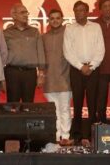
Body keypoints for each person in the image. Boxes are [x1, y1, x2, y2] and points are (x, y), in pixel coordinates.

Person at [64, 0, 104, 141]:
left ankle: (91, 135)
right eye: (76, 10)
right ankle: (77, 135)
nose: (78, 13)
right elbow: (67, 52)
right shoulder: (69, 29)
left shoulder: (96, 27)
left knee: (93, 103)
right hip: (76, 70)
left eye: (81, 10)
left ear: (87, 12)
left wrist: (91, 66)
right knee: (77, 102)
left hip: (93, 70)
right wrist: (81, 67)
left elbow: (100, 49)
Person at [42, 8, 72, 144]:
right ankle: (55, 137)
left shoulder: (68, 34)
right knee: (54, 112)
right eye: (52, 18)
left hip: (65, 79)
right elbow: (41, 59)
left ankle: (65, 136)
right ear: (49, 20)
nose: (55, 21)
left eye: (58, 18)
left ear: (62, 19)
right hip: (49, 80)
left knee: (64, 109)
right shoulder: (44, 37)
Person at [3, 3, 44, 103]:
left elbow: (40, 52)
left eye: (26, 12)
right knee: (13, 105)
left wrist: (41, 74)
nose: (26, 15)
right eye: (22, 12)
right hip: (12, 73)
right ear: (14, 15)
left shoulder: (34, 32)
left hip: (30, 73)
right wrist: (1, 78)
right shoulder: (6, 33)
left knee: (29, 105)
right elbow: (0, 55)